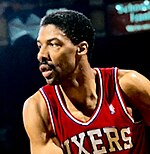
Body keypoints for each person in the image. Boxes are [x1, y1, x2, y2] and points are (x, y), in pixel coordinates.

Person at [22, 9, 150, 154]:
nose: (41, 55)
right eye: (40, 46)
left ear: (81, 48)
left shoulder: (127, 85)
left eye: (53, 44)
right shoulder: (39, 108)